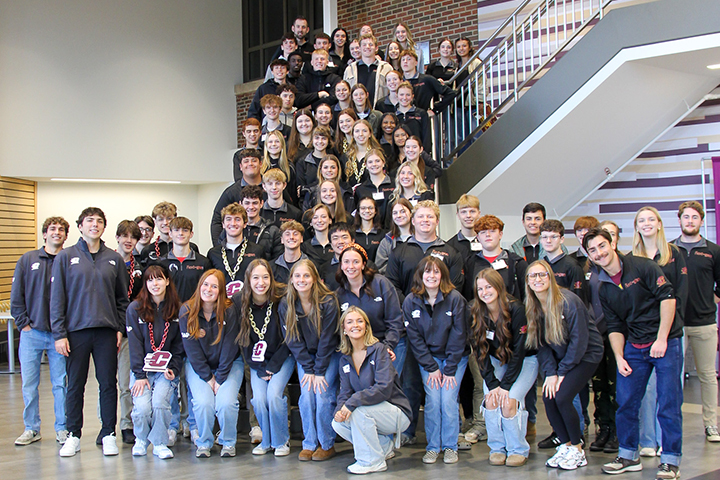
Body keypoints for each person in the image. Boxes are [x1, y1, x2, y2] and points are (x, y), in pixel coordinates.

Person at [583, 228, 683, 479]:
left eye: (602, 246)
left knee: (668, 403)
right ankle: (628, 455)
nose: (599, 253)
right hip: (634, 346)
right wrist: (619, 357)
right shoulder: (603, 286)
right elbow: (615, 326)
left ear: (612, 244)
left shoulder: (643, 266)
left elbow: (668, 299)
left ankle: (670, 460)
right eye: (593, 250)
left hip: (666, 341)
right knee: (626, 403)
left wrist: (661, 339)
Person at [52, 207, 130, 457]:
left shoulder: (114, 258)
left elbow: (122, 298)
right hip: (76, 332)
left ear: (104, 227)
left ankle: (108, 433)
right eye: (89, 221)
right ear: (80, 226)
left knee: (108, 384)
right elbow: (57, 299)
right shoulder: (65, 257)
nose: (94, 225)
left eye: (99, 221)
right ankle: (73, 435)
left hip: (106, 332)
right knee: (75, 385)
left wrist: (119, 328)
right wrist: (59, 334)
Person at [524, 260, 602, 470]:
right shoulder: (532, 306)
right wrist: (550, 373)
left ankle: (577, 449)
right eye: (533, 276)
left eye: (542, 275)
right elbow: (541, 345)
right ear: (528, 282)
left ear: (550, 277)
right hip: (561, 358)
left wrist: (562, 371)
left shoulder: (568, 301)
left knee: (563, 397)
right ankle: (566, 445)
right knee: (549, 397)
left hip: (585, 355)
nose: (537, 279)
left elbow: (579, 341)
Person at [631, 206, 688, 457]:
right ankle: (647, 442)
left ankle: (668, 442)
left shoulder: (674, 254)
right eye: (641, 220)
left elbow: (681, 294)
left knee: (669, 392)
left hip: (670, 332)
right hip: (643, 335)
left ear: (660, 224)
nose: (646, 224)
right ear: (636, 227)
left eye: (651, 219)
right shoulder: (631, 257)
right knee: (646, 390)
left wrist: (671, 328)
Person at [404, 256, 469, 464]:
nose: (431, 276)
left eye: (436, 272)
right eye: (427, 272)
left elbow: (459, 336)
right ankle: (433, 446)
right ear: (420, 275)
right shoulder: (410, 301)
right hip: (429, 360)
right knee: (433, 400)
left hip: (454, 359)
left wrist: (449, 369)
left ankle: (450, 446)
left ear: (443, 275)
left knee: (448, 399)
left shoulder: (456, 298)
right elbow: (414, 339)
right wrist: (431, 367)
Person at [332, 306, 412, 474]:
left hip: (396, 412)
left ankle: (371, 461)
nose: (355, 325)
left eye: (360, 321)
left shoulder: (380, 350)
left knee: (359, 412)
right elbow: (345, 392)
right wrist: (340, 409)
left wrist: (352, 403)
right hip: (371, 412)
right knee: (338, 423)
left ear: (367, 326)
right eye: (350, 322)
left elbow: (384, 388)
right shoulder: (345, 359)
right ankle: (384, 446)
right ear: (344, 330)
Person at [12, 216, 70, 447]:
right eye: (52, 229)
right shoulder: (28, 259)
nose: (57, 232)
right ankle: (31, 428)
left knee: (60, 383)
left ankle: (63, 429)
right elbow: (17, 295)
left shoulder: (69, 260)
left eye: (61, 230)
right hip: (32, 333)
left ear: (66, 235)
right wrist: (24, 323)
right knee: (29, 384)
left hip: (59, 335)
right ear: (45, 234)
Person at [472, 268, 538, 466]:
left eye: (489, 287)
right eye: (480, 288)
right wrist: (492, 384)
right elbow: (479, 351)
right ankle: (497, 448)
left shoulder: (516, 309)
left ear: (499, 286)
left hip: (525, 360)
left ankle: (518, 449)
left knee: (508, 401)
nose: (484, 292)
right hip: (495, 360)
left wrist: (506, 385)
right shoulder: (476, 311)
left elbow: (518, 352)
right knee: (491, 400)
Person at [279, 260, 340, 461]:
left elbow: (328, 339)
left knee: (322, 396)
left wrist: (319, 371)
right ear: (291, 279)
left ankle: (326, 443)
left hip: (327, 355)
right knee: (306, 396)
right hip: (305, 357)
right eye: (297, 276)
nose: (302, 280)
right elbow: (292, 340)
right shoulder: (286, 303)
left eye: (306, 276)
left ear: (315, 279)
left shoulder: (328, 301)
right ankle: (309, 443)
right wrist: (309, 368)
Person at [180, 269, 243, 458]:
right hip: (199, 366)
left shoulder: (230, 310)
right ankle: (204, 442)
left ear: (221, 291)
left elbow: (230, 347)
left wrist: (220, 378)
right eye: (205, 285)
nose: (208, 289)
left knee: (226, 403)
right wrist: (208, 378)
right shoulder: (186, 311)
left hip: (229, 364)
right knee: (203, 403)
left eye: (214, 286)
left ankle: (227, 441)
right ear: (199, 286)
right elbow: (191, 351)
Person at [233, 259, 293, 456]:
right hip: (258, 362)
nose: (261, 282)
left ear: (272, 279)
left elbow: (290, 338)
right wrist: (259, 367)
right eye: (256, 277)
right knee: (258, 399)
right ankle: (266, 441)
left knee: (274, 396)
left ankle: (281, 440)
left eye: (265, 277)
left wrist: (273, 366)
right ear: (248, 280)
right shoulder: (240, 302)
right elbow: (244, 342)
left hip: (282, 356)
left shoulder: (282, 298)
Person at [671, 201, 720, 442]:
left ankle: (711, 425)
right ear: (679, 220)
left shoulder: (713, 250)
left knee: (707, 375)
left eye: (694, 217)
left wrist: (707, 302)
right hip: (675, 325)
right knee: (673, 376)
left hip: (705, 324)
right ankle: (672, 426)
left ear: (701, 221)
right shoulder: (669, 249)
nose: (689, 221)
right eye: (686, 217)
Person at [126, 265, 184, 459]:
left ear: (167, 281)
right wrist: (140, 376)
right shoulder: (135, 309)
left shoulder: (178, 309)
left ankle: (159, 442)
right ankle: (141, 439)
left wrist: (173, 369)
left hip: (165, 370)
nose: (155, 284)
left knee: (159, 403)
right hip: (142, 371)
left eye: (159, 279)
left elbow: (178, 346)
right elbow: (134, 346)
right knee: (142, 408)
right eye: (150, 280)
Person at [336, 243, 404, 370]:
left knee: (387, 386)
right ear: (341, 265)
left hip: (389, 343)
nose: (350, 266)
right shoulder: (339, 294)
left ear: (363, 264)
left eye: (356, 261)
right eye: (346, 262)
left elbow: (395, 320)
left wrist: (387, 347)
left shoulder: (381, 283)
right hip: (357, 348)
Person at [115, 220, 144, 444]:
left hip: (130, 332)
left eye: (133, 237)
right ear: (117, 238)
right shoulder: (106, 262)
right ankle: (111, 424)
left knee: (128, 380)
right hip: (109, 328)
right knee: (108, 381)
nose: (128, 240)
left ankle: (128, 424)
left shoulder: (140, 266)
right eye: (124, 236)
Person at [207, 203, 264, 297]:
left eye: (237, 219)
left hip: (249, 303)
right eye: (228, 219)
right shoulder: (213, 253)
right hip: (221, 305)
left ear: (245, 224)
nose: (233, 223)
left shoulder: (257, 250)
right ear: (223, 224)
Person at [211, 149, 264, 246]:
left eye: (254, 160)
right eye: (246, 161)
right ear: (240, 166)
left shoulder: (272, 188)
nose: (250, 164)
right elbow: (217, 221)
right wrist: (219, 249)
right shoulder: (231, 192)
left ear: (260, 164)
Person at [159, 217, 212, 302]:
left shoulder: (203, 262)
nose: (181, 233)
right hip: (169, 312)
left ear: (191, 234)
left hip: (195, 311)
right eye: (176, 230)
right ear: (170, 234)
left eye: (185, 230)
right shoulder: (161, 263)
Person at [540, 219, 587, 303]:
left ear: (561, 239)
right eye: (545, 237)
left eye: (553, 237)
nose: (548, 241)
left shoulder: (573, 266)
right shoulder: (540, 266)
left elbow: (579, 300)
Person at [141, 201, 199, 265]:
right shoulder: (147, 250)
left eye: (169, 218)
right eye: (161, 219)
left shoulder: (191, 247)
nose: (165, 222)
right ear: (155, 222)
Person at [344, 34, 392, 106]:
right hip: (356, 113)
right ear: (359, 48)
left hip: (380, 112)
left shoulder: (386, 68)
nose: (367, 47)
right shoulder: (350, 69)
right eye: (364, 45)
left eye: (370, 44)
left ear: (376, 48)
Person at [382, 162, 433, 226]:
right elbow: (389, 224)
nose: (405, 176)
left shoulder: (426, 196)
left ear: (416, 177)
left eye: (410, 173)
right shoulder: (393, 199)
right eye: (402, 173)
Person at [241, 185, 284, 261]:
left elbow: (277, 261)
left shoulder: (273, 231)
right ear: (241, 204)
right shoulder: (232, 231)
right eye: (247, 203)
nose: (251, 207)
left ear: (261, 204)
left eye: (255, 203)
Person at [354, 149, 395, 225]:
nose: (374, 164)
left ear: (383, 163)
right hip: (371, 231)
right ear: (365, 165)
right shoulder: (360, 189)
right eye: (370, 162)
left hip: (392, 228)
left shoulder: (395, 184)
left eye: (377, 161)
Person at [376, 198, 413, 274]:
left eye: (403, 212)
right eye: (395, 213)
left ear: (411, 213)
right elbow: (380, 269)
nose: (398, 215)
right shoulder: (386, 242)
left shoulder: (420, 238)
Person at [343, 119, 383, 188]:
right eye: (357, 131)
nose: (361, 134)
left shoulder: (378, 155)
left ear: (370, 134)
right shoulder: (346, 157)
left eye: (364, 131)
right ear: (352, 134)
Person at [262, 130, 297, 205]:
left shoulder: (289, 167)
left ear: (282, 145)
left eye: (277, 141)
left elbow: (293, 193)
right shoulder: (261, 167)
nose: (273, 144)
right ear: (266, 145)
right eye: (270, 142)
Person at [395, 82, 431, 152]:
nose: (404, 98)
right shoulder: (393, 116)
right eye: (401, 95)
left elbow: (426, 139)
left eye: (408, 95)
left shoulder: (421, 113)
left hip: (417, 154)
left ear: (412, 96)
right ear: (397, 96)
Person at [296, 125, 333, 191]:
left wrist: (309, 187)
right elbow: (301, 190)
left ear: (328, 141)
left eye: (324, 138)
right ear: (312, 140)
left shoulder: (333, 162)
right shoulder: (302, 162)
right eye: (317, 138)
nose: (320, 141)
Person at [272, 220, 309, 284]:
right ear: (282, 240)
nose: (291, 237)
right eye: (287, 234)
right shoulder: (272, 267)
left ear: (301, 239)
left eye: (295, 234)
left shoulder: (311, 266)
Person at [446, 194, 481, 260]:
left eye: (472, 211)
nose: (468, 215)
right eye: (463, 212)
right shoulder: (449, 246)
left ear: (479, 214)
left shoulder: (486, 243)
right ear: (458, 215)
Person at [353, 196, 387, 263]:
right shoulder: (352, 233)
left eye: (370, 208)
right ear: (358, 211)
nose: (367, 211)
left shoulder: (383, 234)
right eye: (363, 208)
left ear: (376, 211)